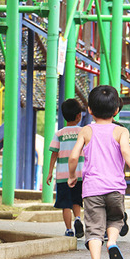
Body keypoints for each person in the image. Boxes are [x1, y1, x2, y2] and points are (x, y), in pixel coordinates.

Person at [67, 85, 130, 259]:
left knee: (93, 228)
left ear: (90, 110)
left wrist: (71, 176)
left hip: (92, 189)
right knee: (115, 220)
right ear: (116, 110)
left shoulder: (86, 130)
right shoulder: (121, 131)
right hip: (115, 188)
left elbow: (74, 156)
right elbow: (127, 153)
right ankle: (111, 242)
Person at [45, 98, 85, 238]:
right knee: (76, 201)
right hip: (79, 174)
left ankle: (69, 229)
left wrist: (50, 172)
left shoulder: (59, 134)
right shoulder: (83, 132)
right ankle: (78, 219)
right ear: (79, 116)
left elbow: (54, 154)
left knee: (65, 204)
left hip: (63, 176)